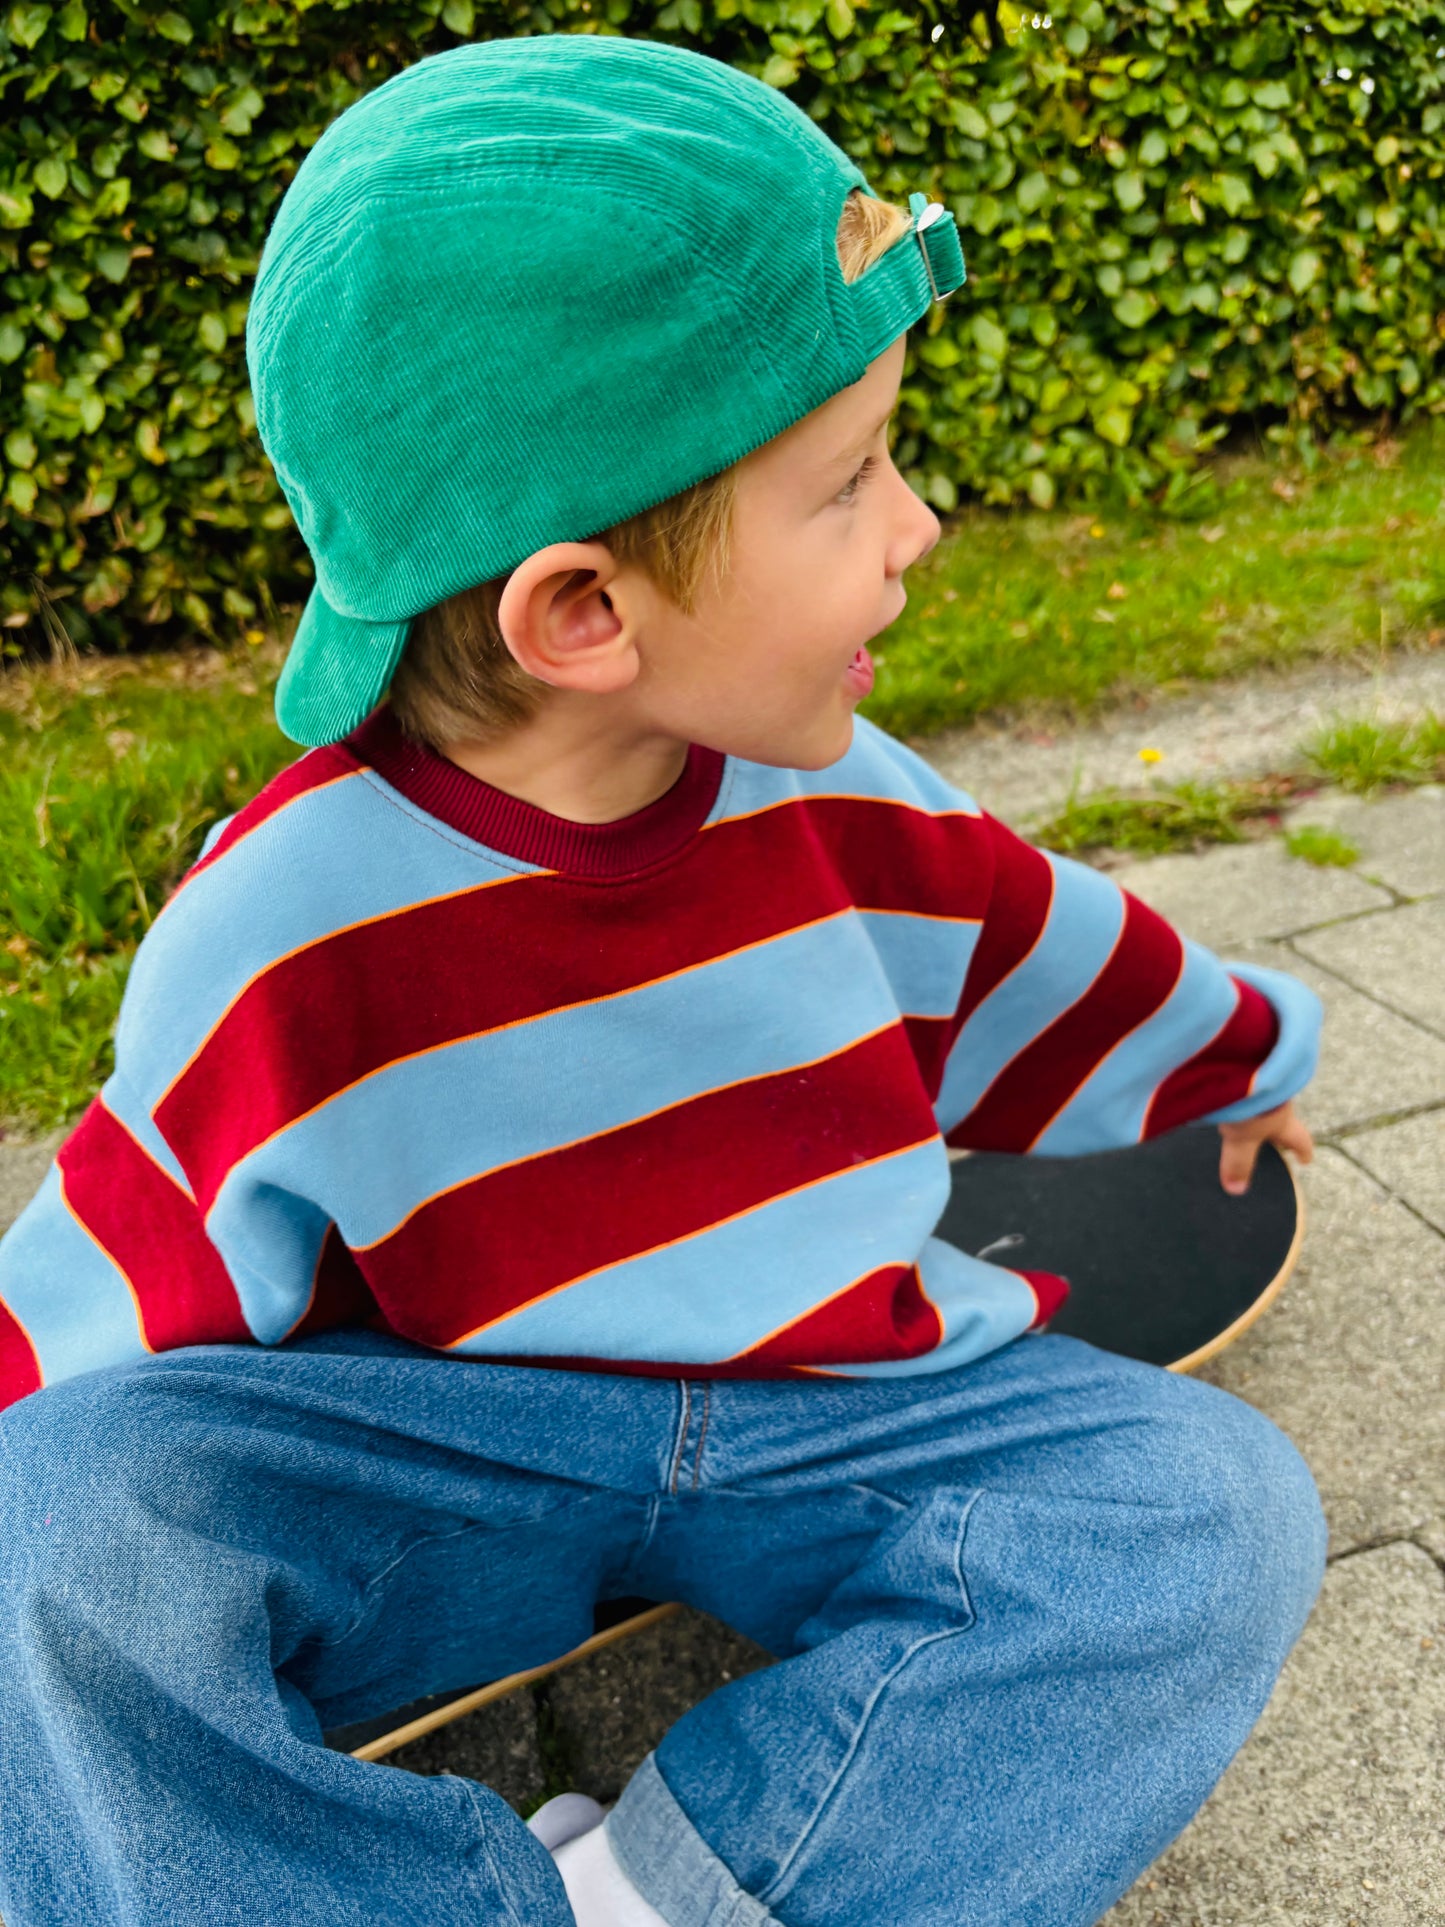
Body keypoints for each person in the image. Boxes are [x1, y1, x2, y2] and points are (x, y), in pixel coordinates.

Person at [0, 32, 1326, 1927]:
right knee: (42, 1540)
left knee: (1212, 1518)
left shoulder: (845, 808)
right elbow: (122, 1271)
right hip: (464, 1439)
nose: (920, 524)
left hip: (823, 1407)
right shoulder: (286, 922)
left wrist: (1241, 1055)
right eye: (854, 475)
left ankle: (662, 1896)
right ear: (584, 613)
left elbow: (1050, 960)